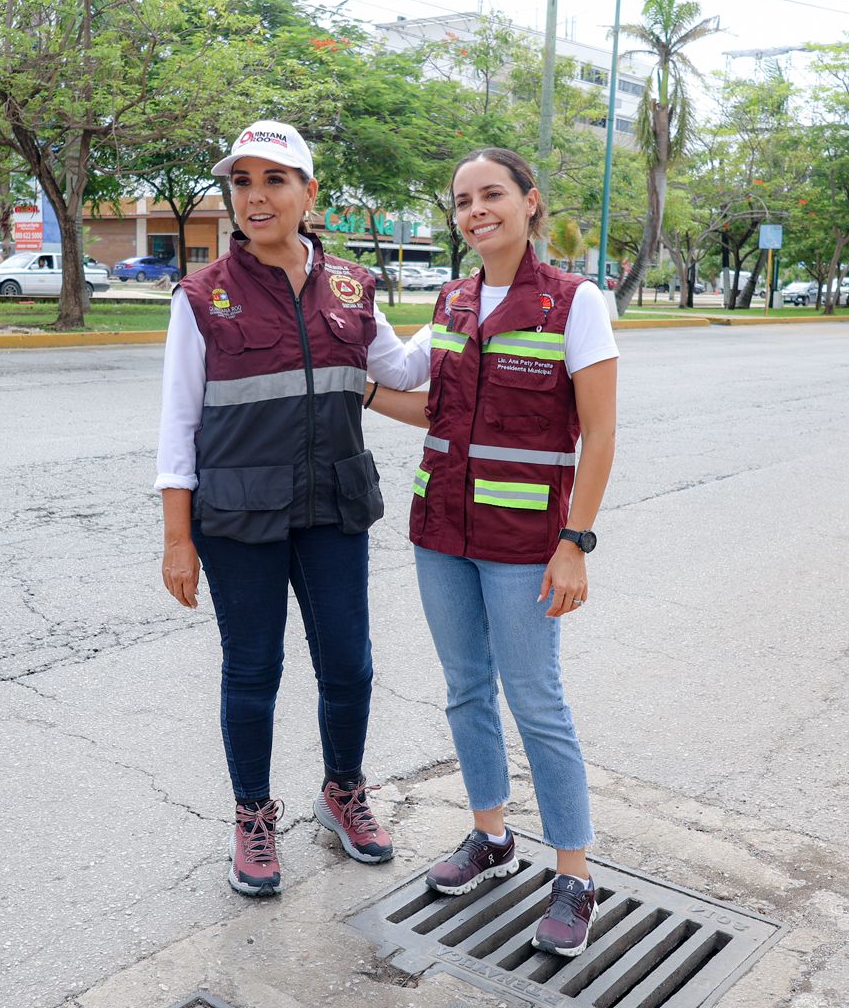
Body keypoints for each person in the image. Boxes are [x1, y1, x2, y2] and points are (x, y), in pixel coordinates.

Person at [155, 121, 427, 897]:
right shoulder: (204, 296)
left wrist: (467, 308)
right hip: (238, 515)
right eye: (242, 181)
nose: (256, 196)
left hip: (333, 503)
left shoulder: (350, 284)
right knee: (253, 669)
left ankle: (344, 793)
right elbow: (177, 426)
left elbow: (400, 367)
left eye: (275, 179)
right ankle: (252, 818)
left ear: (310, 193)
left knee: (349, 661)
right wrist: (178, 538)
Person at [367, 147, 618, 957]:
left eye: (492, 195)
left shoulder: (575, 303)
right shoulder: (453, 298)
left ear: (529, 203)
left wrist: (575, 543)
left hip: (524, 543)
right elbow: (433, 408)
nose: (476, 210)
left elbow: (602, 432)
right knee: (466, 690)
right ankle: (491, 836)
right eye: (463, 201)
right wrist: (361, 385)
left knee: (536, 702)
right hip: (440, 532)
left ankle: (574, 875)